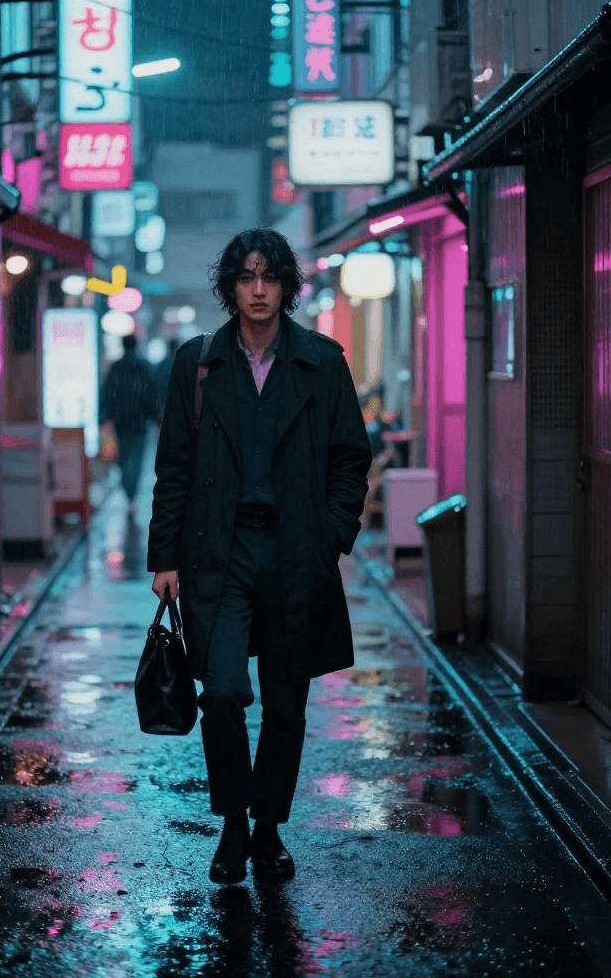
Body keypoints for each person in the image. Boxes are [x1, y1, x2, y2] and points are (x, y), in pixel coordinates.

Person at [148, 227, 371, 885]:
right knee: (220, 692)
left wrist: (331, 533)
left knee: (285, 704)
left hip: (297, 551)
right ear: (230, 288)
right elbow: (175, 469)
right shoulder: (198, 364)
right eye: (246, 278)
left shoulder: (322, 363)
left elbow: (350, 459)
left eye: (269, 277)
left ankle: (268, 828)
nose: (257, 291)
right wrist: (165, 558)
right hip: (219, 551)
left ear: (286, 286)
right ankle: (232, 823)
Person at [100, 334, 158, 515]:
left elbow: (107, 393)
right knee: (138, 460)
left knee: (123, 459)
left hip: (121, 422)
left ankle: (128, 492)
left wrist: (105, 416)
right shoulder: (143, 367)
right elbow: (152, 395)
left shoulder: (116, 368)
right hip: (140, 422)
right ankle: (131, 495)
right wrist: (155, 418)